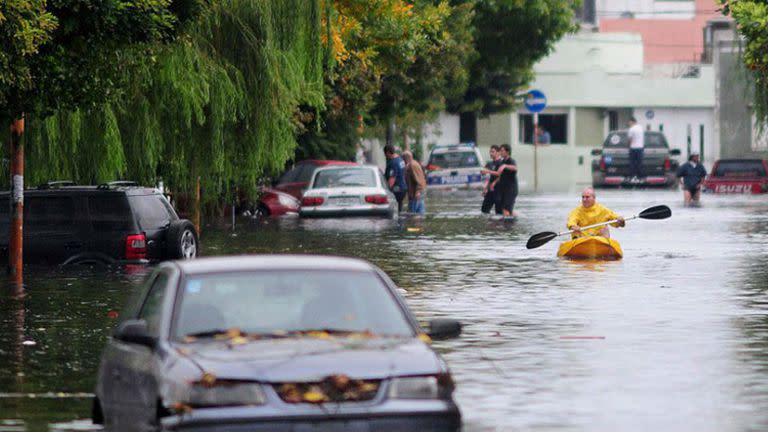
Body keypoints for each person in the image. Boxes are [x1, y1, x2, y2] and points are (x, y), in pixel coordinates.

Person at [494, 144, 518, 218]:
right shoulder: (501, 162)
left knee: (505, 210)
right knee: (508, 210)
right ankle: (515, 220)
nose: (500, 152)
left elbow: (515, 168)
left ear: (507, 152)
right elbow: (499, 174)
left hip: (511, 189)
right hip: (504, 189)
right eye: (500, 151)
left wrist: (505, 166)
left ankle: (507, 228)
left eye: (502, 151)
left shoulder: (511, 160)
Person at [383, 144, 407, 212]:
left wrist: (387, 191)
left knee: (395, 211)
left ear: (387, 152)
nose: (385, 156)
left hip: (397, 190)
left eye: (385, 154)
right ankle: (401, 221)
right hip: (403, 188)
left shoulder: (393, 163)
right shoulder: (400, 160)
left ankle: (398, 222)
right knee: (399, 208)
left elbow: (392, 179)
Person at [480, 145, 502, 214]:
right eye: (490, 152)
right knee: (484, 210)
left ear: (498, 153)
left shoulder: (501, 163)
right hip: (490, 190)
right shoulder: (489, 164)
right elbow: (487, 178)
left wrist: (495, 182)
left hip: (499, 190)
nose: (491, 153)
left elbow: (502, 176)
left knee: (499, 212)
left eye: (493, 152)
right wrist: (485, 189)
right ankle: (489, 223)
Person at [627, 117, 645, 182]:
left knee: (632, 163)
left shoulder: (631, 129)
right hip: (640, 148)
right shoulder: (641, 128)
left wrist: (628, 146)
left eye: (629, 122)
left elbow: (630, 140)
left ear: (632, 121)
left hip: (633, 148)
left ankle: (633, 177)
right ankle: (640, 177)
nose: (628, 123)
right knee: (639, 163)